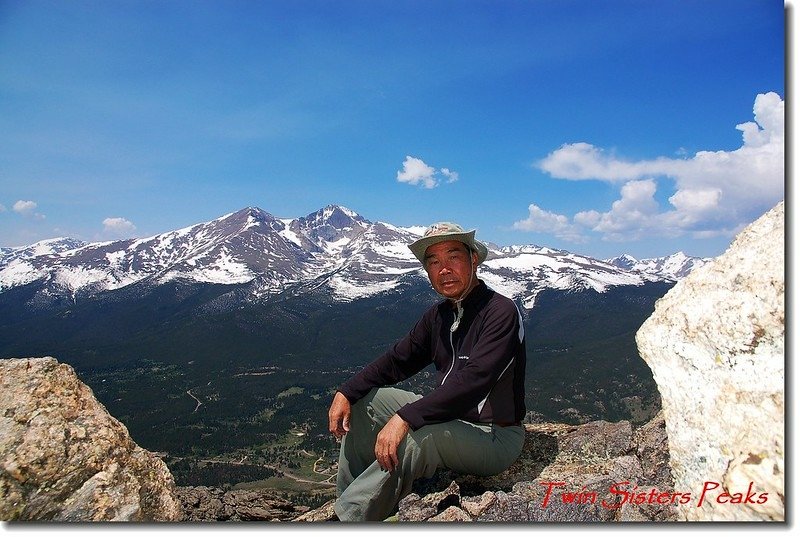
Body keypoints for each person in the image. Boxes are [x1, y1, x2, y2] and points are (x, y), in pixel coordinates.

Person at [327, 222, 527, 521]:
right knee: (364, 403)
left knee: (421, 434)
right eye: (433, 262)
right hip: (452, 420)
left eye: (453, 257)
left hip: (495, 436)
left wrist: (406, 417)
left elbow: (475, 381)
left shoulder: (500, 312)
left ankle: (350, 519)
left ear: (474, 259)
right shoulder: (439, 315)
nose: (444, 269)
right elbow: (397, 361)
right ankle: (351, 496)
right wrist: (347, 391)